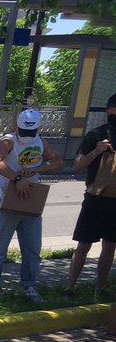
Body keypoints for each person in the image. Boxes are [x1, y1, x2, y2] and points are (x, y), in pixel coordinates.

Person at [0, 108, 63, 301]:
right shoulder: (8, 141)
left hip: (30, 201)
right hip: (7, 200)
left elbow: (57, 161)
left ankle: (29, 285)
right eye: (24, 131)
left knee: (32, 248)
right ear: (17, 127)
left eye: (31, 132)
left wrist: (40, 167)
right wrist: (17, 177)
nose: (27, 136)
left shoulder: (40, 141)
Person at [66, 93, 116, 297]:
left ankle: (100, 288)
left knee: (109, 247)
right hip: (94, 200)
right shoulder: (95, 135)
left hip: (115, 202)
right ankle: (70, 287)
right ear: (108, 110)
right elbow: (77, 166)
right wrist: (96, 151)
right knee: (84, 244)